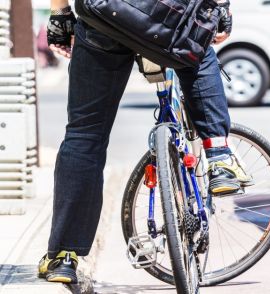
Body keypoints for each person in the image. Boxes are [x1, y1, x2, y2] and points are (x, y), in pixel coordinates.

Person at [38, 0, 252, 284]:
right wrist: (222, 8)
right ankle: (219, 157)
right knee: (199, 48)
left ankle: (64, 256)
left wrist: (60, 12)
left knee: (84, 134)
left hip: (106, 15)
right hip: (171, 16)